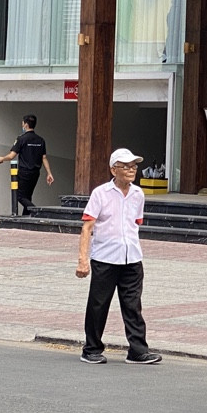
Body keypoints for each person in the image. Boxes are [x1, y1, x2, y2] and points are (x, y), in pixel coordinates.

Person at [75, 148, 162, 365]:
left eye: (134, 166)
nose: (131, 170)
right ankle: (92, 348)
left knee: (133, 305)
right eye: (125, 166)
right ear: (114, 169)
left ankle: (138, 350)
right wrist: (83, 259)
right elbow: (87, 227)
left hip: (132, 258)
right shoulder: (100, 193)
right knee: (98, 304)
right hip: (105, 258)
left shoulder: (138, 194)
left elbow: (135, 224)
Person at [0, 114, 54, 216]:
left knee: (19, 196)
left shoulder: (21, 139)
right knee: (27, 197)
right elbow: (44, 158)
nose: (22, 125)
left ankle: (35, 211)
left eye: (23, 123)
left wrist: (2, 158)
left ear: (26, 125)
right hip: (35, 173)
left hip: (24, 172)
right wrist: (49, 173)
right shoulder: (40, 140)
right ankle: (26, 217)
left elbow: (11, 156)